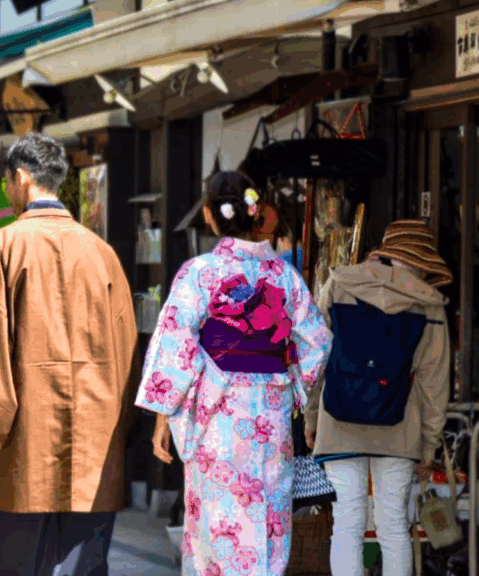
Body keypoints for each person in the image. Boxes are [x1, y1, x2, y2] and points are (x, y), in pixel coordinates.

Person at [0, 133, 137, 575]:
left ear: (22, 177)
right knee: (82, 563)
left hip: (23, 443)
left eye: (7, 182)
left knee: (14, 560)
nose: (7, 191)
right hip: (94, 441)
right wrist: (119, 426)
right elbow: (127, 350)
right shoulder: (102, 253)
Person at [135, 172, 333, 576]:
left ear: (210, 216)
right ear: (253, 212)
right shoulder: (284, 276)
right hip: (271, 420)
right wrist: (291, 384)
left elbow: (176, 345)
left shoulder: (200, 273)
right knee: (268, 521)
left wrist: (164, 415)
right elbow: (317, 341)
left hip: (218, 416)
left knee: (220, 525)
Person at [304, 220, 452, 576]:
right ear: (419, 262)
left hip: (339, 420)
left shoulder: (340, 283)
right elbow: (434, 384)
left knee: (347, 523)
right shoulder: (428, 304)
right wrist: (429, 445)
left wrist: (310, 417)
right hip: (399, 426)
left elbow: (315, 357)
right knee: (394, 526)